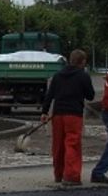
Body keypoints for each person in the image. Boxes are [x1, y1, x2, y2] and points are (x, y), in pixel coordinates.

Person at [41, 49, 96, 187]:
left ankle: (59, 175)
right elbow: (90, 96)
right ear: (82, 62)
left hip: (58, 114)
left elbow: (49, 95)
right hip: (73, 114)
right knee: (72, 144)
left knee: (58, 145)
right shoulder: (83, 76)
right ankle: (71, 176)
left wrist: (44, 112)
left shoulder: (58, 75)